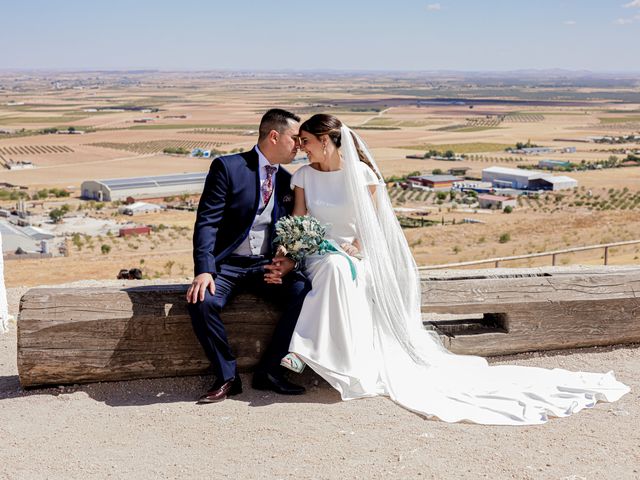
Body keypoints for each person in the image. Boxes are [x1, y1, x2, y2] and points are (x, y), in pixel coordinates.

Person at [278, 114, 630, 425]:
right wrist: (296, 245)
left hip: (354, 255)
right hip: (319, 252)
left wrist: (360, 249)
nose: (302, 149)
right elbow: (299, 218)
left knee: (343, 270)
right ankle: (310, 352)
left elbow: (374, 226)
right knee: (335, 268)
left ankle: (310, 352)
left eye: (306, 142)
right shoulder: (305, 176)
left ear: (325, 141)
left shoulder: (362, 174)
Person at [186, 108, 311, 404]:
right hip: (226, 266)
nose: (300, 146)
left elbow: (291, 228)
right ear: (274, 136)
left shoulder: (288, 181)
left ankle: (269, 371)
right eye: (295, 139)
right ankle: (227, 376)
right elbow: (207, 221)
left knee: (303, 292)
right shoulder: (228, 167)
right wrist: (204, 270)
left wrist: (287, 260)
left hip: (264, 266)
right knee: (201, 302)